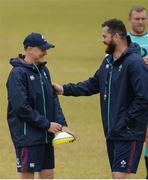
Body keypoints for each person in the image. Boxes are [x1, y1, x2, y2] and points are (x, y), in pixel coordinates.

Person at [53, 19, 148, 179]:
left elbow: (143, 97)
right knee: (116, 175)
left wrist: (126, 120)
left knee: (119, 176)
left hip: (128, 131)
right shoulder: (108, 62)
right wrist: (63, 89)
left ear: (117, 36)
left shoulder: (135, 63)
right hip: (112, 131)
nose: (102, 39)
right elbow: (93, 84)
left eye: (105, 36)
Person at [6, 32, 73, 179]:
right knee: (28, 176)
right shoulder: (17, 74)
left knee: (48, 175)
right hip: (27, 136)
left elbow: (53, 99)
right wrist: (46, 124)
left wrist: (63, 124)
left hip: (45, 135)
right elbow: (21, 107)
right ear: (29, 49)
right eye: (42, 49)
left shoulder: (43, 70)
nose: (46, 53)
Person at [128, 5, 148, 178]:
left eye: (143, 18)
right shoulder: (123, 40)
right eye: (137, 18)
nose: (140, 22)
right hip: (130, 97)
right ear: (130, 19)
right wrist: (139, 62)